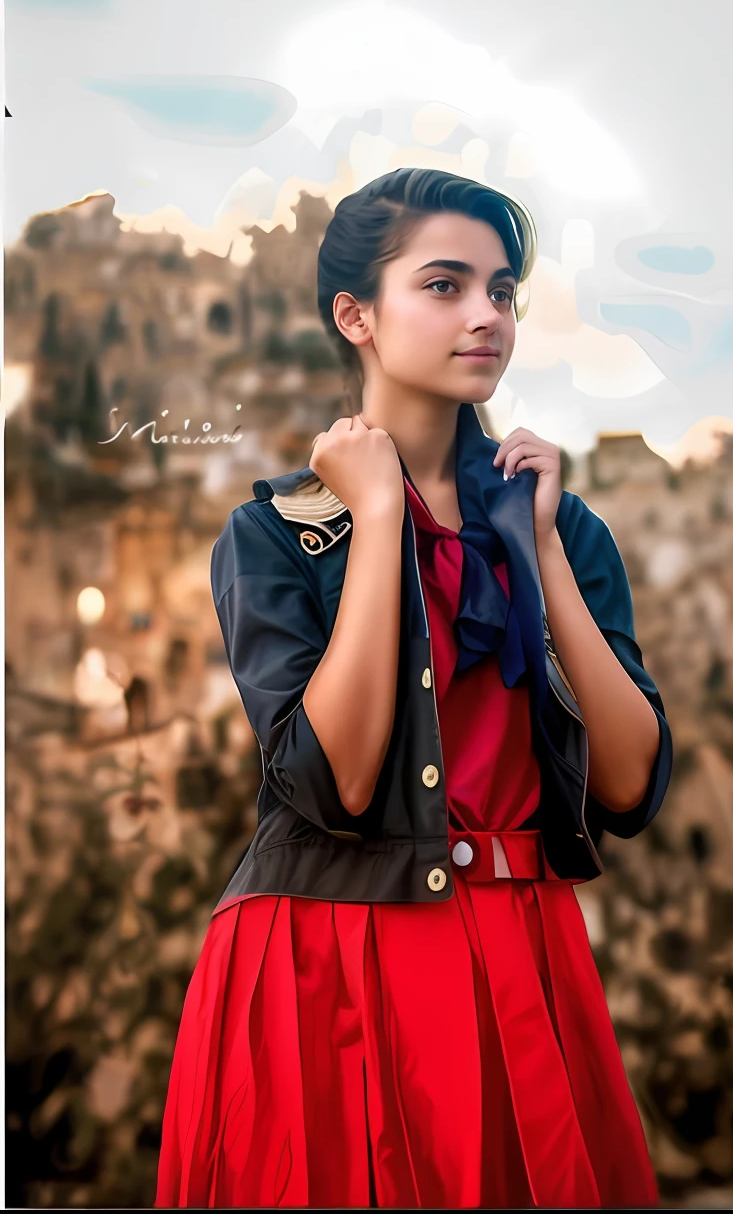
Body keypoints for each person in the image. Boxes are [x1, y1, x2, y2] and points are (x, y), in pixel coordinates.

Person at [155, 167, 673, 1210]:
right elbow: (334, 782)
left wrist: (541, 551)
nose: (485, 315)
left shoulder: (560, 524)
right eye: (444, 285)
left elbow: (626, 785)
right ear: (356, 314)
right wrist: (380, 518)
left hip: (523, 955)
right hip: (326, 960)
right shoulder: (272, 537)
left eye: (501, 289)